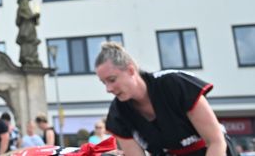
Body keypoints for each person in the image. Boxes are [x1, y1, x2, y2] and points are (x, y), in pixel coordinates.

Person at [95, 41, 227, 156]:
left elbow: (216, 142)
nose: (108, 89)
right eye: (104, 83)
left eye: (112, 80)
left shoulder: (174, 84)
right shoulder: (118, 113)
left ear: (131, 70)